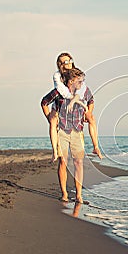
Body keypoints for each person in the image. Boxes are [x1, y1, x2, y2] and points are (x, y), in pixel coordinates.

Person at [41, 68, 93, 203]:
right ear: (71, 81)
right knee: (63, 161)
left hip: (77, 130)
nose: (82, 83)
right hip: (61, 130)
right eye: (79, 81)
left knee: (78, 162)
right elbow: (44, 102)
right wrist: (50, 118)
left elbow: (91, 100)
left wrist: (88, 114)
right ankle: (64, 194)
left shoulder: (83, 91)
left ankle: (78, 195)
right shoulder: (59, 92)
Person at [49, 52, 102, 161]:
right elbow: (62, 92)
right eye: (66, 61)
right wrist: (75, 99)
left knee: (91, 117)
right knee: (53, 120)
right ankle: (55, 151)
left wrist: (87, 112)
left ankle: (96, 147)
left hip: (76, 109)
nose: (69, 63)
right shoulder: (58, 76)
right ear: (60, 64)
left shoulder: (77, 74)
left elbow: (85, 93)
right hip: (60, 105)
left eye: (70, 60)